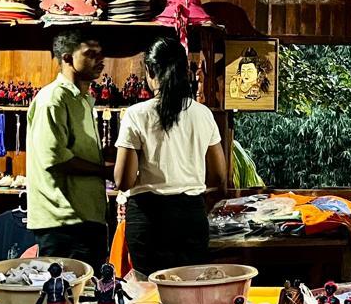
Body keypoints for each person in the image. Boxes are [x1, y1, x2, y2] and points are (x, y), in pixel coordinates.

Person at [114, 37, 227, 275]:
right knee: (189, 292)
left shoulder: (136, 115)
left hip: (148, 219)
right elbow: (218, 174)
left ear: (149, 71)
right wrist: (188, 180)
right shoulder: (202, 114)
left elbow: (122, 181)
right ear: (185, 71)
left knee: (150, 293)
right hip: (190, 218)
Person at [27, 31, 110, 267]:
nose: (100, 61)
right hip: (63, 223)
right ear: (67, 58)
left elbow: (77, 152)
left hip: (85, 219)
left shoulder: (81, 100)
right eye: (90, 54)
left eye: (101, 55)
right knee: (64, 297)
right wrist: (106, 171)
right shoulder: (53, 99)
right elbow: (56, 159)